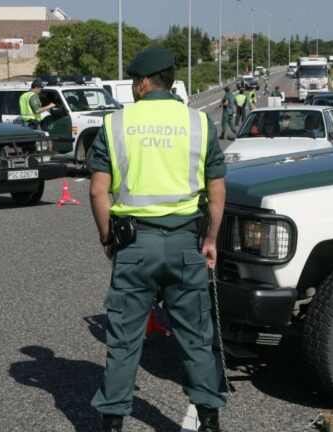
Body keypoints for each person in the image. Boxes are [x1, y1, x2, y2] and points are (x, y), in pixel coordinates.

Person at [88, 46, 227, 432]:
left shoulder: (116, 124)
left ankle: (113, 422)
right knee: (196, 337)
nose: (134, 87)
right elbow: (216, 192)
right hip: (186, 243)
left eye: (135, 81)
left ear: (145, 82)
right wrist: (211, 239)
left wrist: (107, 239)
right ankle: (209, 419)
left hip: (135, 245)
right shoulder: (199, 123)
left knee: (124, 340)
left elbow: (98, 192)